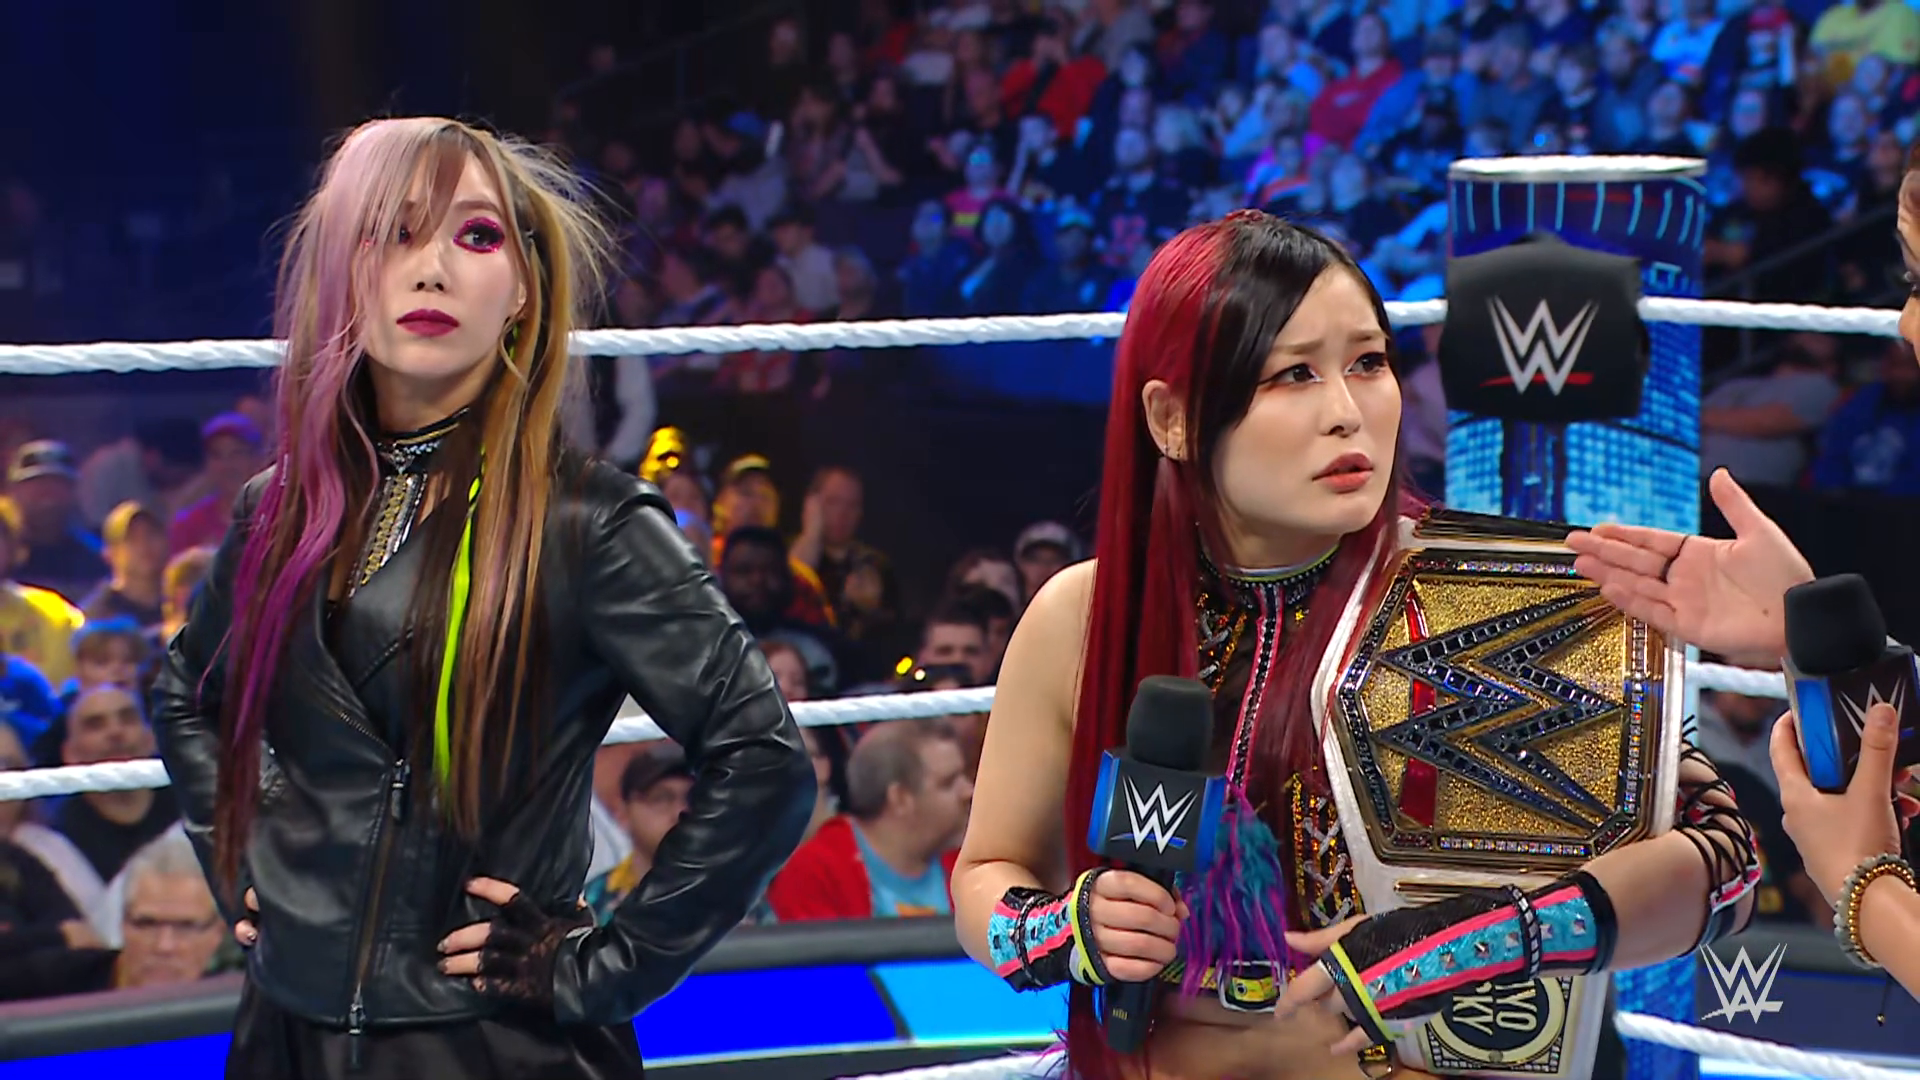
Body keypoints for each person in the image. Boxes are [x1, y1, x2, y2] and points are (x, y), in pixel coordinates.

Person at [952, 211, 1762, 1080]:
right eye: (1293, 373)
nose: (1347, 414)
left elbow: (1726, 863)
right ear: (1171, 417)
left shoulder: (1498, 604)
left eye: (1369, 363)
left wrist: (1473, 943)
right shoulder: (1083, 615)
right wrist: (1067, 929)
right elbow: (987, 875)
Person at [150, 117, 815, 1080]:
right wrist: (248, 855)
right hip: (284, 1030)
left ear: (524, 289)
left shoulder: (588, 520)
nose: (431, 270)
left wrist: (610, 967)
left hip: (487, 1042)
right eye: (392, 232)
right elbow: (188, 692)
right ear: (339, 269)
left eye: (475, 235)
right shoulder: (278, 507)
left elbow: (764, 760)